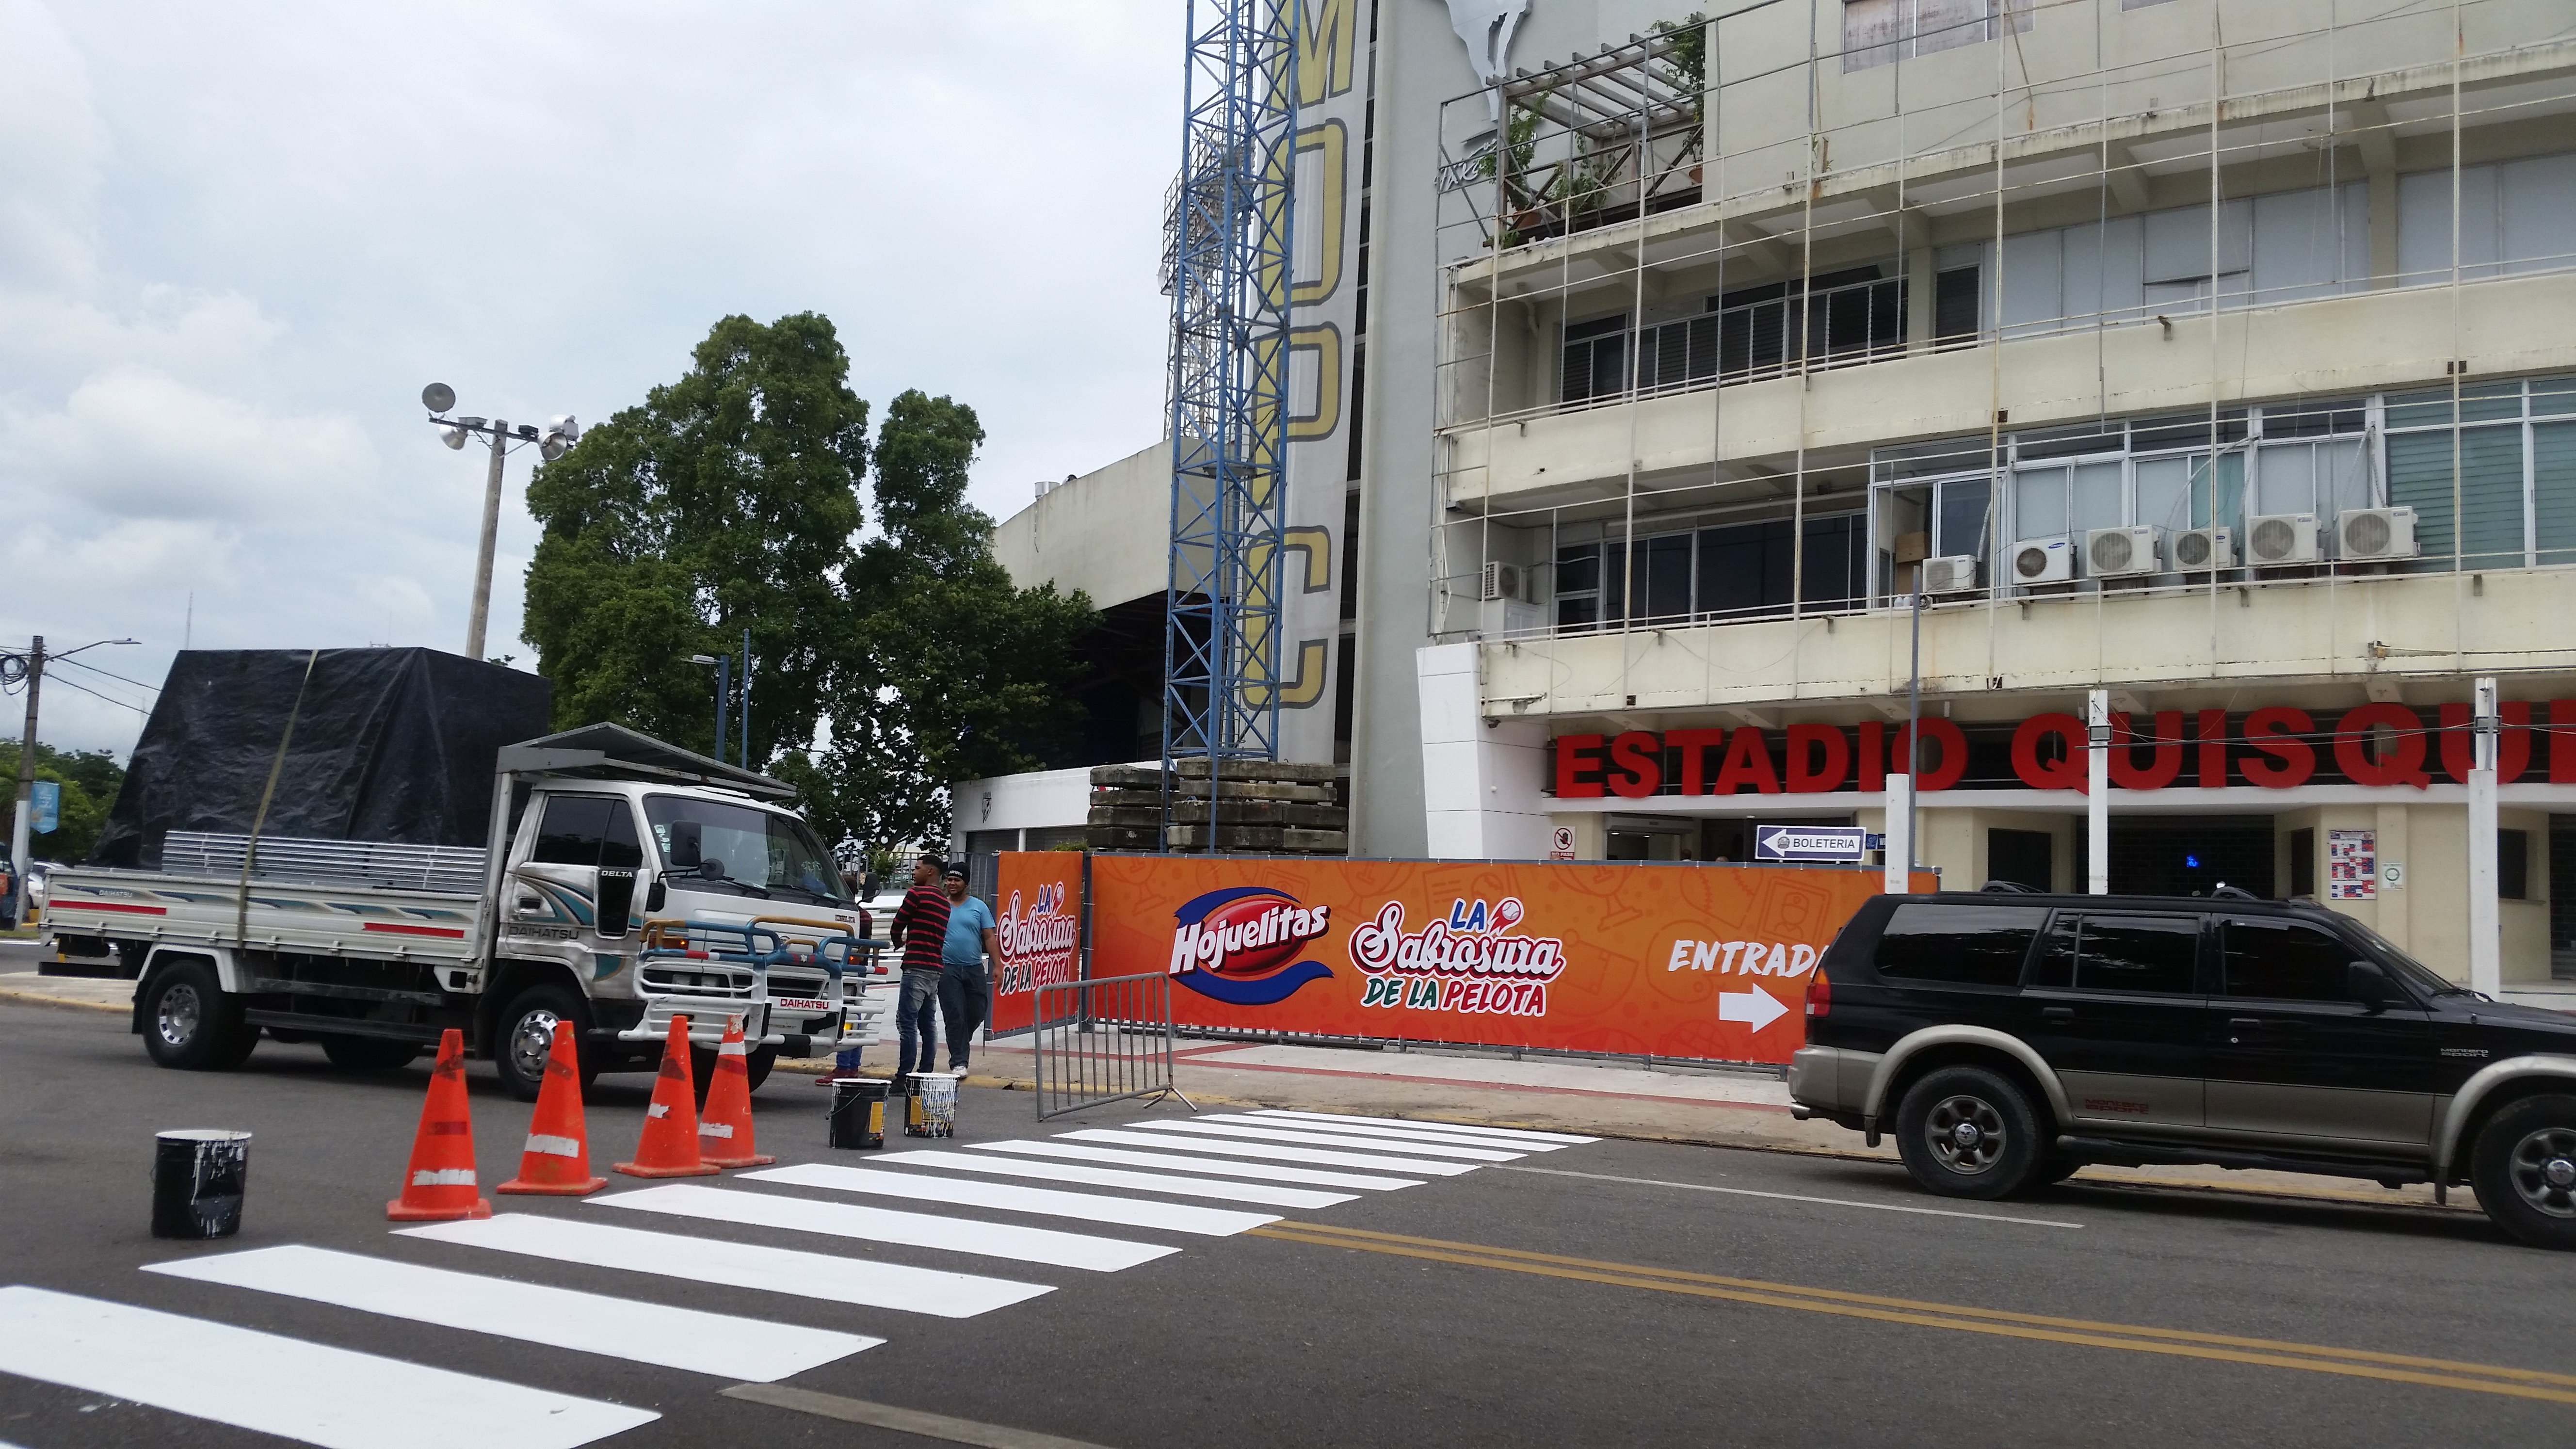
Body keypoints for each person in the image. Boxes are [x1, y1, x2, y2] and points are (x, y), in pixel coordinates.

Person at [887, 856, 950, 1083]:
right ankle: (925, 1072)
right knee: (928, 1023)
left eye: (917, 868)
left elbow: (898, 923)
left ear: (931, 872)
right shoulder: (944, 902)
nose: (913, 872)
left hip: (915, 966)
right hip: (935, 967)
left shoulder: (916, 894)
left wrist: (897, 941)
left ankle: (904, 1075)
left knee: (906, 1022)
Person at [937, 866, 998, 1073]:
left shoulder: (979, 907)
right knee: (955, 1015)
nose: (952, 884)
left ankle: (961, 1040)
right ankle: (959, 1062)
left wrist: (997, 965)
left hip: (974, 968)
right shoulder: (940, 906)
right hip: (947, 969)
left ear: (966, 884)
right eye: (949, 880)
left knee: (977, 1011)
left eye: (957, 880)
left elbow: (989, 937)